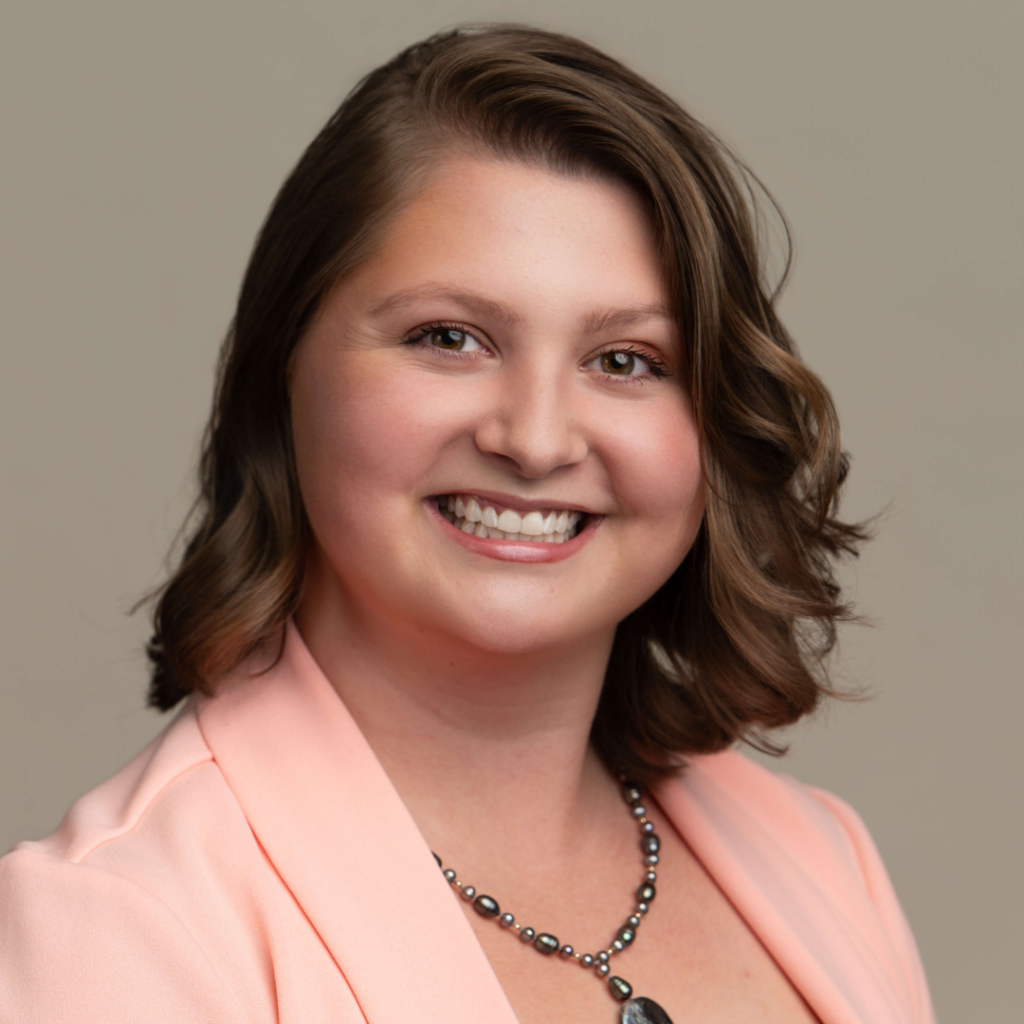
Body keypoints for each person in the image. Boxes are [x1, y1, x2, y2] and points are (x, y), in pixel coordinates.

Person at [0, 24, 935, 1024]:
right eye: (448, 338)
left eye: (625, 360)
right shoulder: (113, 930)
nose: (535, 440)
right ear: (284, 373)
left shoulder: (824, 859)